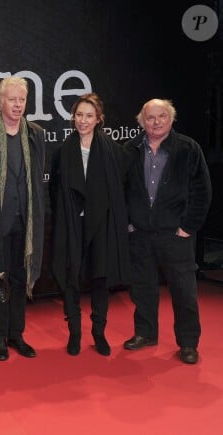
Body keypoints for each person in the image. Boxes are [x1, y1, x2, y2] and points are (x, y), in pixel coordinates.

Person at [122, 98, 211, 364]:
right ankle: (145, 333)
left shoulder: (188, 148)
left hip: (176, 236)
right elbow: (121, 190)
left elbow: (202, 192)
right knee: (142, 289)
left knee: (184, 292)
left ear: (171, 119)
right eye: (151, 118)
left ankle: (187, 343)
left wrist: (188, 227)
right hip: (140, 235)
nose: (157, 122)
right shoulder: (129, 149)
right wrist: (129, 221)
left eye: (162, 116)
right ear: (142, 121)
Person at [0, 76, 46, 362]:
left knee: (19, 278)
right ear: (0, 101)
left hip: (27, 224)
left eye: (22, 100)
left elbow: (38, 181)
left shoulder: (36, 134)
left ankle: (17, 335)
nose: (17, 105)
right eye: (12, 99)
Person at [50, 93, 130, 357]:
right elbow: (54, 191)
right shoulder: (62, 151)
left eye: (89, 116)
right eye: (79, 115)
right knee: (71, 277)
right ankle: (75, 331)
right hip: (71, 225)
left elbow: (123, 189)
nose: (83, 121)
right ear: (73, 117)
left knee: (100, 277)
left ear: (99, 120)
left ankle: (98, 332)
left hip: (102, 224)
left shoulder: (114, 152)